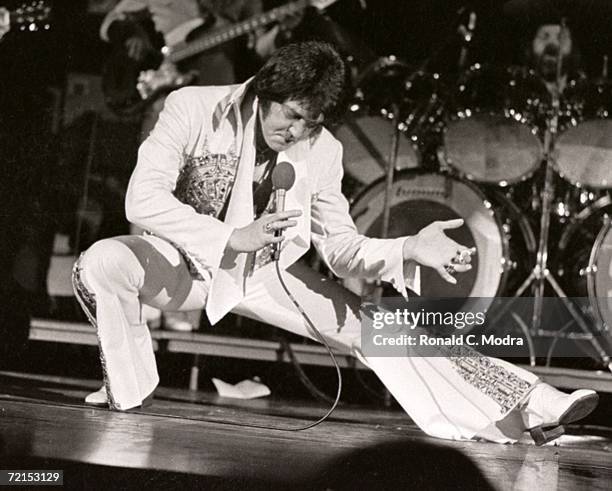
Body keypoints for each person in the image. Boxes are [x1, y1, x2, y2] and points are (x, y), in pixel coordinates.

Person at [73, 41, 598, 444]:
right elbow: (141, 200)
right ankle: (126, 391)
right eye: (293, 116)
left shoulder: (321, 150)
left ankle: (533, 405)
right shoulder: (191, 108)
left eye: (313, 121)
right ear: (265, 92)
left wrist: (406, 248)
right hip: (179, 264)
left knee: (384, 335)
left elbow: (340, 247)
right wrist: (231, 235)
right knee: (101, 262)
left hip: (264, 273)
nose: (298, 131)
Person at [100, 0, 288, 331]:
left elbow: (260, 48)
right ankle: (142, 294)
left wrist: (279, 28)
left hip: (217, 103)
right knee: (155, 190)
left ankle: (182, 305)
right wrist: (131, 36)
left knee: (207, 195)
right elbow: (113, 20)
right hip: (167, 97)